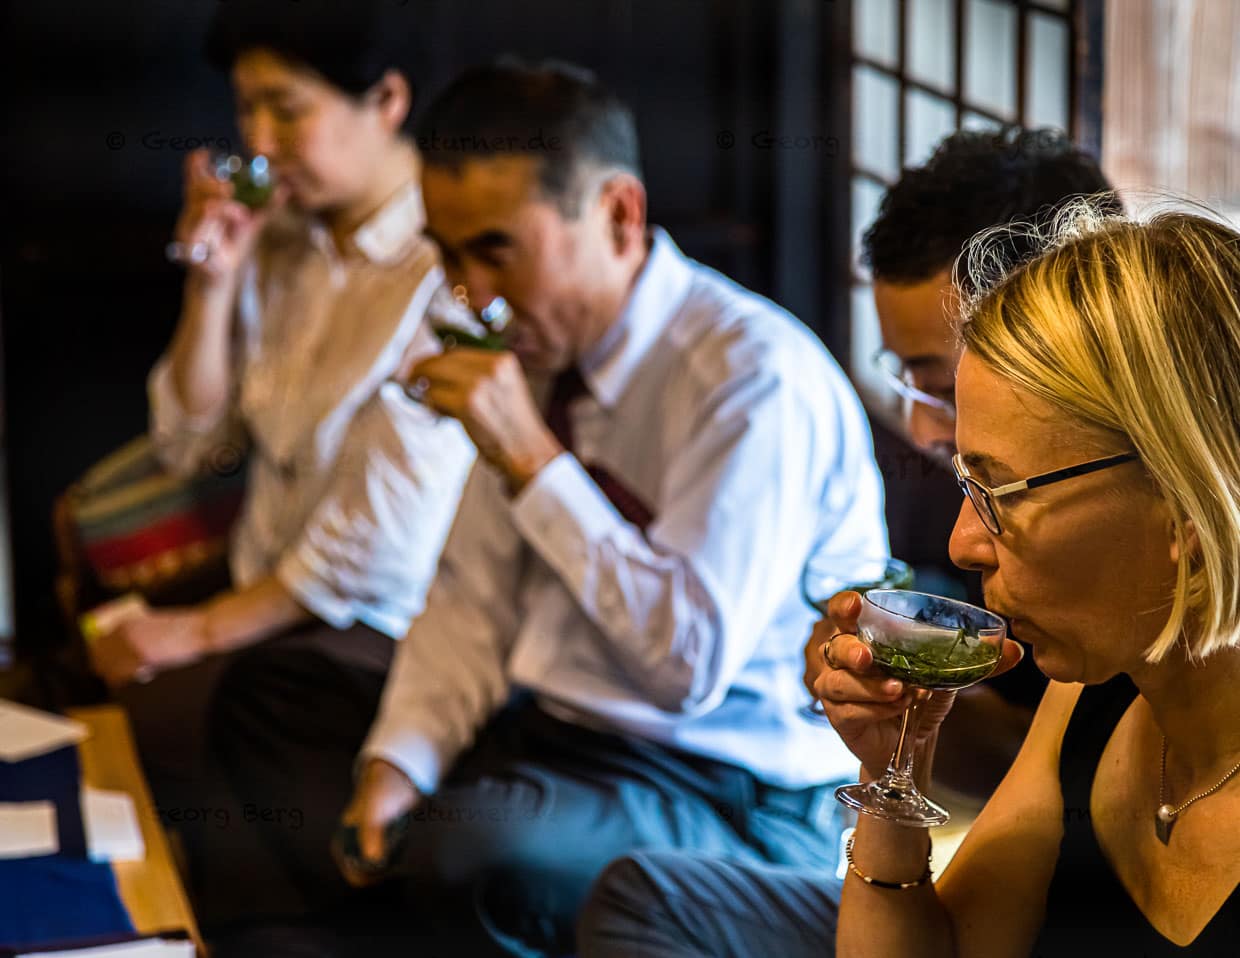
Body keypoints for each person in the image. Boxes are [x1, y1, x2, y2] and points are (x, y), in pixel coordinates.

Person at [208, 59, 889, 956]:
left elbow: (686, 670)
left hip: (730, 786)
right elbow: (467, 600)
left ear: (617, 216)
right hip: (552, 733)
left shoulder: (751, 378)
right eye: (447, 256)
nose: (471, 297)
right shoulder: (527, 352)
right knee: (273, 695)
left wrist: (529, 455)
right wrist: (394, 770)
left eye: (496, 250)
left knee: (477, 848)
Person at [588, 205, 1240, 957]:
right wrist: (893, 772)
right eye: (965, 485)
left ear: (1185, 505)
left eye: (999, 494)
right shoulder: (1095, 697)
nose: (965, 543)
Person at [85, 0, 475, 930]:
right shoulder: (287, 239)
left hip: (380, 625)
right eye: (243, 110)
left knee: (154, 728)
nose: (258, 141)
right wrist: (213, 283)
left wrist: (199, 631)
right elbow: (191, 445)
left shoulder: (447, 264)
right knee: (106, 689)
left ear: (386, 100)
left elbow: (376, 551)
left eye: (287, 109)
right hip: (272, 595)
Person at [857, 127, 1121, 797]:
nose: (921, 430)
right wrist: (898, 723)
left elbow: (1069, 787)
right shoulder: (999, 507)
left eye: (943, 389)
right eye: (907, 383)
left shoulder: (1113, 521)